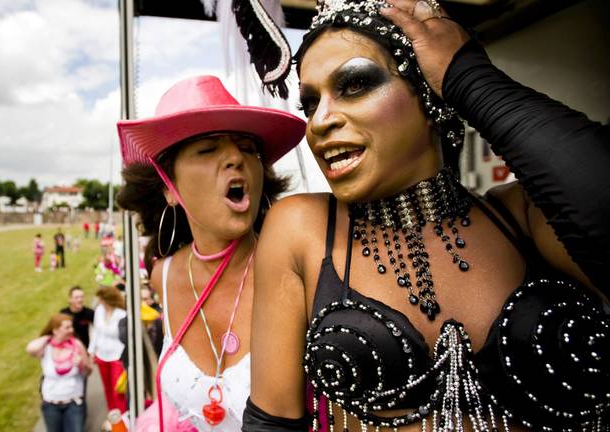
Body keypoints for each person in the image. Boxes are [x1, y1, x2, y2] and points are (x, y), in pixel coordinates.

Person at [243, 0, 610, 431]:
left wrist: (470, 79)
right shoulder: (301, 229)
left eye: (355, 84)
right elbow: (271, 425)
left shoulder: (523, 216)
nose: (319, 122)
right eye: (310, 103)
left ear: (432, 94)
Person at [116, 75, 305, 430]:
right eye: (207, 148)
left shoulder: (298, 268)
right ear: (168, 188)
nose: (236, 157)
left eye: (248, 148)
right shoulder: (163, 275)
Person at [26, 313, 91, 432]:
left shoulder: (76, 344)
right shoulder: (46, 347)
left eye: (71, 327)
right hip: (51, 404)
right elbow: (30, 349)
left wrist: (82, 364)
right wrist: (48, 337)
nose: (71, 330)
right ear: (55, 330)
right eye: (67, 328)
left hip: (74, 403)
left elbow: (87, 372)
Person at [88, 286, 128, 414]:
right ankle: (113, 415)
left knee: (118, 390)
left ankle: (122, 418)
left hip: (117, 357)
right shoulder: (99, 310)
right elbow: (95, 331)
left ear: (107, 299)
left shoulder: (122, 314)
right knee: (107, 388)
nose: (99, 302)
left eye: (101, 299)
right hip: (101, 356)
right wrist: (91, 351)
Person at [60, 286, 95, 350]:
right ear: (70, 299)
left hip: (85, 348)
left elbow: (98, 329)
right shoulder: (63, 313)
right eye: (76, 297)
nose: (80, 300)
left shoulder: (90, 313)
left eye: (81, 297)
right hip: (68, 348)